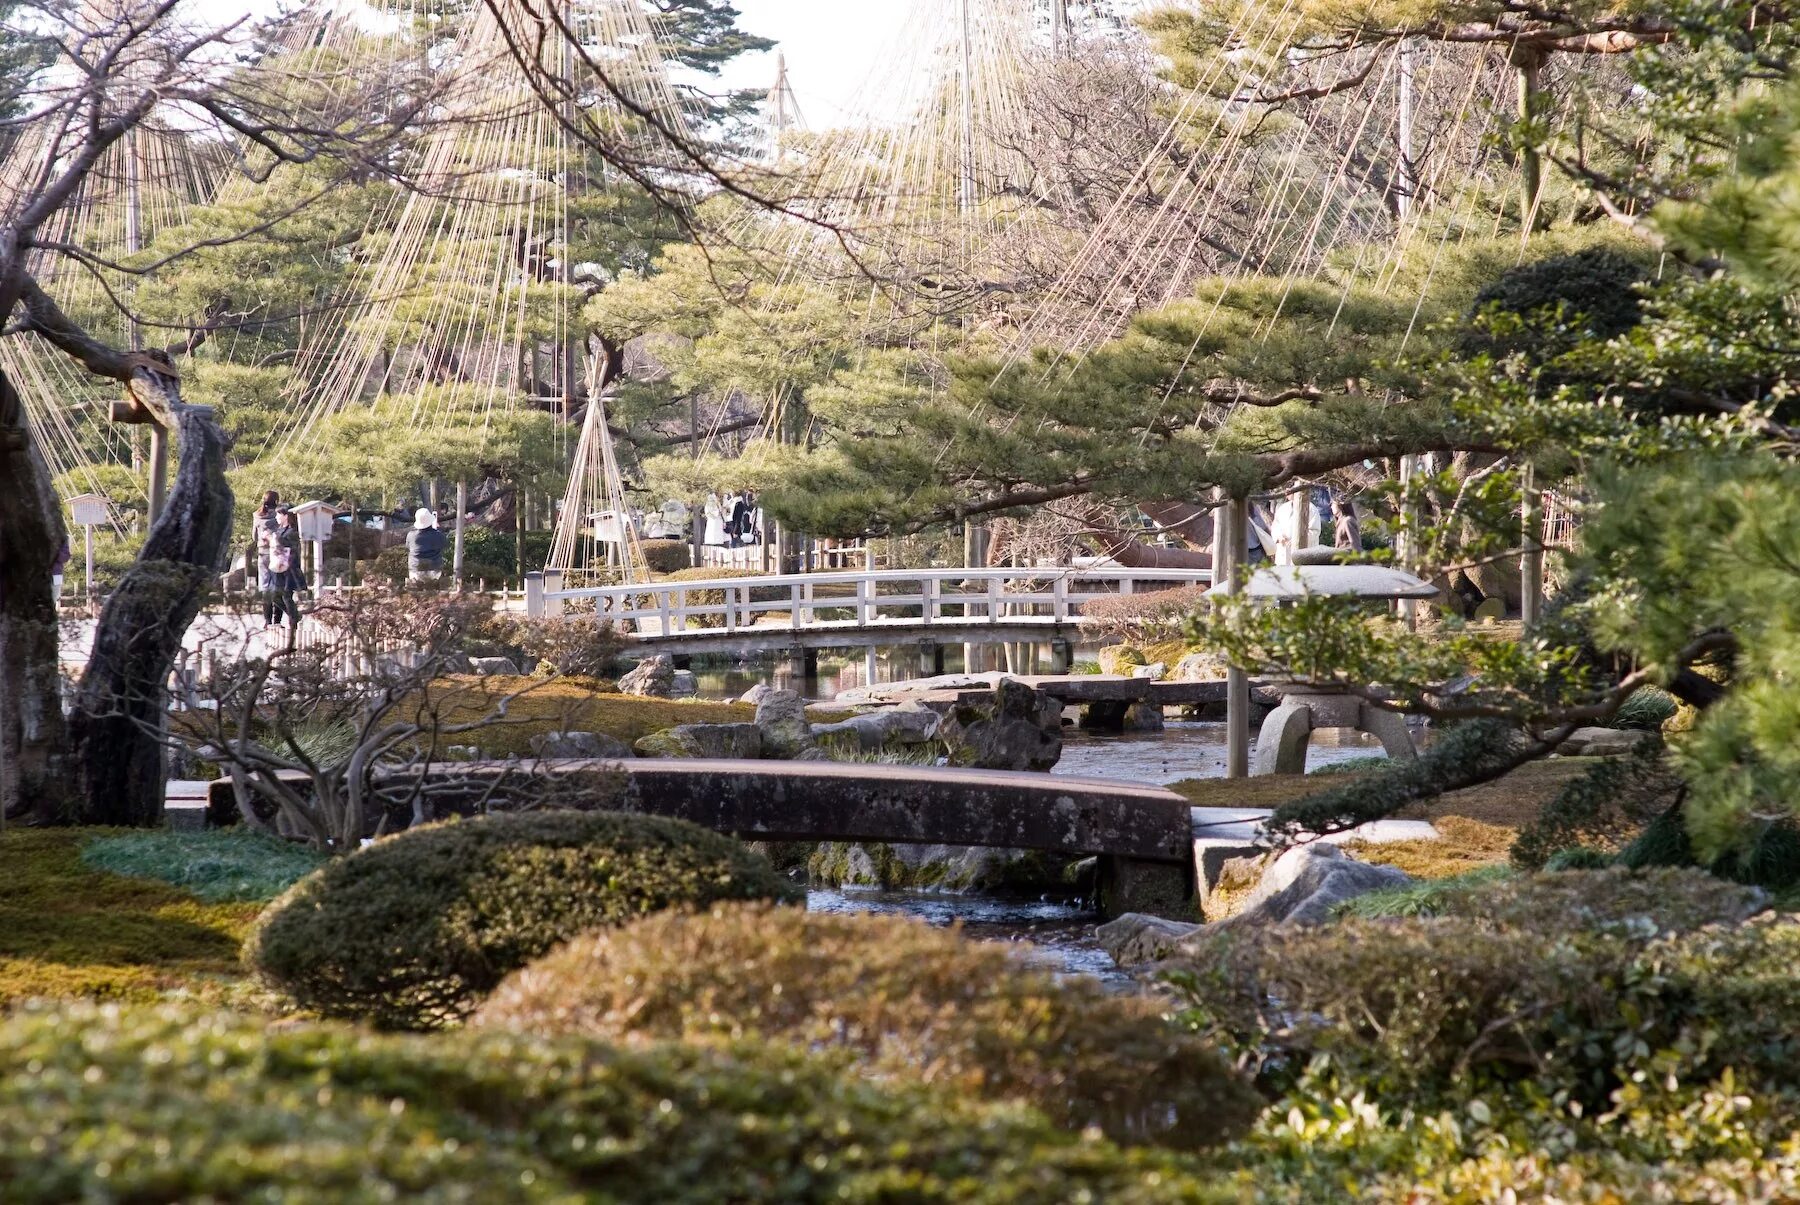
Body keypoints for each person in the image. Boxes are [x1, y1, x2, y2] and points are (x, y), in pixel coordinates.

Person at [260, 506, 304, 630]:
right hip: (276, 568)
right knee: (274, 595)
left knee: (286, 595)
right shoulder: (278, 530)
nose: (276, 517)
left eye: (278, 514)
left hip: (288, 569)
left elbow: (285, 545)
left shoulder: (292, 531)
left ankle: (294, 620)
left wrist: (272, 538)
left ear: (286, 516)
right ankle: (294, 615)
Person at [406, 506, 447, 585]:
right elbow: (445, 544)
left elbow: (408, 548)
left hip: (415, 570)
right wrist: (438, 530)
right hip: (435, 570)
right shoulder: (437, 535)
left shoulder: (410, 535)